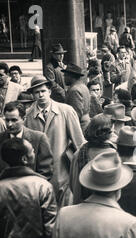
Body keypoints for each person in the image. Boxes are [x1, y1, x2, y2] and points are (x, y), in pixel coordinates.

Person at [0, 137, 59, 238]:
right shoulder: (41, 186)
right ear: (25, 159)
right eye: (32, 150)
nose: (35, 153)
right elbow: (51, 228)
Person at [24, 75, 85, 208]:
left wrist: (79, 172)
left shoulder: (66, 111)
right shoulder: (28, 116)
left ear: (49, 92)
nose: (40, 95)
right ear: (33, 95)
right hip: (39, 175)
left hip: (63, 173)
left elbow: (79, 144)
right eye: (36, 92)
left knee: (64, 213)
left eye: (43, 91)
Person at [70, 114, 116, 205]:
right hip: (103, 208)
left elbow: (72, 183)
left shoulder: (79, 153)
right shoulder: (113, 154)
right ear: (107, 133)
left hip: (79, 204)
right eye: (112, 131)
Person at [0, 101, 53, 180]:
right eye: (7, 120)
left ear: (24, 119)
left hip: (32, 189)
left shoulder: (39, 138)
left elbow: (46, 171)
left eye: (14, 120)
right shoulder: (1, 139)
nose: (9, 124)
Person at [63, 64, 91, 132]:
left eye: (65, 75)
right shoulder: (83, 86)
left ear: (71, 76)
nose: (64, 78)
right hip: (85, 123)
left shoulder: (74, 90)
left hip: (80, 126)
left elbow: (76, 114)